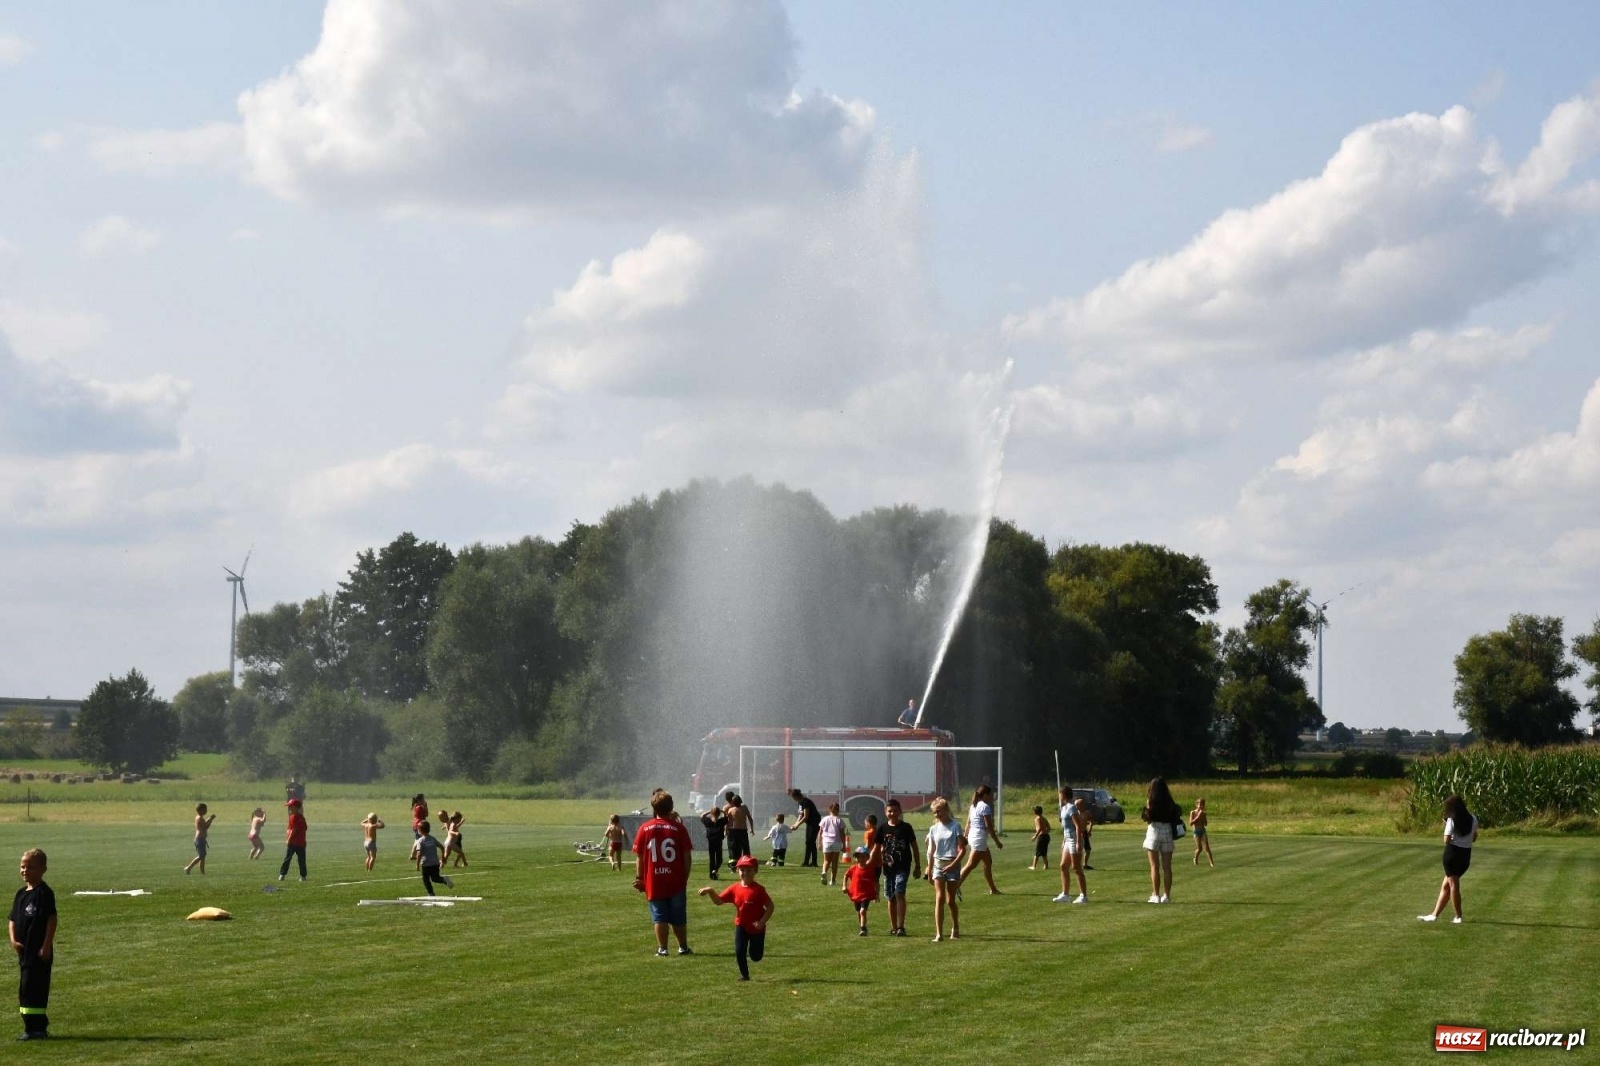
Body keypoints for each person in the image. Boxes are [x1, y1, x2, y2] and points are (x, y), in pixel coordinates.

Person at [633, 788, 694, 957]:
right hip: (676, 879)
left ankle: (663, 948)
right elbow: (687, 856)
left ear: (653, 808)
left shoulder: (645, 828)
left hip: (654, 880)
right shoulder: (679, 828)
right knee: (679, 916)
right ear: (671, 807)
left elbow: (640, 857)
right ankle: (683, 947)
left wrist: (639, 878)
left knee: (659, 916)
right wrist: (685, 876)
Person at [698, 855, 773, 981]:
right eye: (742, 870)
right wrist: (710, 891)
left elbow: (770, 907)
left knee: (756, 957)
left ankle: (754, 954)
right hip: (741, 925)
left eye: (749, 870)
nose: (745, 873)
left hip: (757, 928)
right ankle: (744, 975)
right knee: (739, 951)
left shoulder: (759, 890)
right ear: (737, 871)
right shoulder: (734, 888)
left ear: (755, 871)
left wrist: (762, 922)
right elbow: (718, 901)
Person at [9, 849, 55, 1041]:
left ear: (43, 869)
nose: (25, 870)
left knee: (36, 988)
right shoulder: (20, 894)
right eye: (23, 866)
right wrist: (13, 940)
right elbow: (12, 919)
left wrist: (46, 945)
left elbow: (51, 920)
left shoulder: (44, 893)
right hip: (24, 951)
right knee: (25, 989)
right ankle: (30, 1026)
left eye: (30, 867)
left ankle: (37, 1028)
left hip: (38, 952)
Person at [1420, 794, 1479, 924]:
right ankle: (1434, 915)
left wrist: (1447, 826)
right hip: (1465, 856)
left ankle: (1458, 916)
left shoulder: (1452, 820)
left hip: (1452, 855)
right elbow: (1474, 838)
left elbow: (1446, 839)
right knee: (1446, 886)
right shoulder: (1473, 818)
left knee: (1453, 886)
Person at [924, 797, 967, 942]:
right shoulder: (933, 829)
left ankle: (955, 927)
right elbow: (931, 851)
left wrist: (953, 865)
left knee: (950, 900)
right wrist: (929, 869)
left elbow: (962, 850)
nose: (937, 815)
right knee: (939, 898)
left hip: (952, 865)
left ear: (946, 810)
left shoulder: (955, 826)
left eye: (939, 811)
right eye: (935, 812)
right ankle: (939, 933)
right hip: (938, 865)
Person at [880, 798, 921, 937]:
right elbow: (877, 848)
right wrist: (870, 862)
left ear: (900, 811)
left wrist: (917, 866)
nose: (892, 813)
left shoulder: (906, 827)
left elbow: (914, 847)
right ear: (885, 812)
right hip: (887, 868)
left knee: (899, 893)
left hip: (903, 866)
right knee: (890, 897)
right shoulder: (882, 828)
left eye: (895, 810)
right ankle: (894, 927)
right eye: (889, 811)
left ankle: (901, 927)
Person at [1141, 777, 1182, 903]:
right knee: (1167, 867)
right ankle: (1167, 896)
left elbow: (1147, 819)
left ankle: (1156, 895)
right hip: (1167, 831)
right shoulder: (1169, 802)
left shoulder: (1151, 801)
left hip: (1154, 831)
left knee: (1154, 866)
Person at [958, 784, 1003, 894]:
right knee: (970, 865)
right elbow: (989, 826)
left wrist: (965, 837)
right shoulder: (985, 806)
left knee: (988, 862)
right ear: (985, 795)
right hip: (979, 837)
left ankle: (993, 889)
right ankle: (954, 886)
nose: (991, 797)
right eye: (990, 795)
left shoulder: (973, 806)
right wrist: (997, 842)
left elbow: (968, 824)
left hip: (974, 835)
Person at [1053, 788, 1089, 904]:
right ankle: (1065, 894)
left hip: (1074, 838)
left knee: (1076, 868)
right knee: (1063, 866)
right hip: (1067, 839)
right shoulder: (1063, 808)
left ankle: (1083, 896)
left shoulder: (1072, 808)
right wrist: (1064, 840)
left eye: (1060, 794)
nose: (1059, 796)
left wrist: (1078, 842)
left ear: (1064, 795)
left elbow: (1078, 826)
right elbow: (1065, 827)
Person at [410, 820, 453, 896]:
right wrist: (443, 858)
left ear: (420, 831)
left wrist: (417, 864)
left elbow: (419, 853)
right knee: (435, 878)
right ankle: (444, 880)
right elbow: (442, 847)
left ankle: (431, 893)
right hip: (435, 863)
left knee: (426, 879)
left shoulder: (420, 841)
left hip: (426, 864)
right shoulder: (432, 838)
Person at [845, 845, 878, 935]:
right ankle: (862, 926)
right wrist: (844, 886)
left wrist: (877, 894)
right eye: (859, 857)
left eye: (863, 857)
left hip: (866, 894)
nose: (861, 859)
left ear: (867, 857)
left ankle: (863, 929)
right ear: (856, 858)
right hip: (856, 893)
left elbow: (875, 882)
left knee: (862, 911)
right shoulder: (853, 868)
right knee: (859, 911)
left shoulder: (870, 869)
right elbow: (846, 875)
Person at [817, 803, 848, 886]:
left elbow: (820, 832)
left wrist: (819, 843)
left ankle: (824, 871)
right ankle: (833, 881)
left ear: (829, 810)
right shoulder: (839, 820)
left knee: (826, 860)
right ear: (838, 810)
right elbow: (842, 834)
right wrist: (844, 845)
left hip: (826, 842)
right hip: (836, 842)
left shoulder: (824, 819)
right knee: (834, 862)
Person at [278, 797, 309, 883]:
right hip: (301, 843)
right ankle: (303, 877)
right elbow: (305, 828)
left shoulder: (293, 817)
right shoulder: (302, 817)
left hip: (293, 842)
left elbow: (294, 830)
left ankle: (282, 875)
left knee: (287, 858)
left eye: (290, 806)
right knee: (301, 860)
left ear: (295, 807)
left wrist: (288, 839)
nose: (289, 808)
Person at [789, 789, 820, 867]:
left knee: (811, 842)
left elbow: (806, 817)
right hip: (809, 823)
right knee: (808, 842)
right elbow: (800, 815)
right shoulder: (800, 803)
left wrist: (797, 825)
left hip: (814, 822)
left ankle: (812, 862)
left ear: (796, 796)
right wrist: (795, 824)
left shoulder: (806, 802)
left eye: (793, 797)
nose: (793, 799)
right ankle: (808, 862)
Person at [184, 802, 216, 875]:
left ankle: (202, 873)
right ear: (200, 810)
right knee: (201, 856)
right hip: (200, 839)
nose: (206, 811)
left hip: (201, 839)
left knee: (202, 857)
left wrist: (209, 819)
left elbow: (204, 825)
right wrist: (211, 819)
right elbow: (206, 826)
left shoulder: (199, 817)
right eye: (205, 810)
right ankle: (188, 868)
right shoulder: (200, 818)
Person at [723, 792, 754, 867]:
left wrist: (725, 831)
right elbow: (750, 819)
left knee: (734, 847)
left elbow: (727, 822)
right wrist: (751, 829)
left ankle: (734, 862)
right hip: (743, 830)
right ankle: (747, 861)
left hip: (734, 830)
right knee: (745, 846)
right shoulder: (744, 807)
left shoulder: (731, 810)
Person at [1191, 797, 1214, 867]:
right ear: (1196, 805)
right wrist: (1198, 816)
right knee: (1199, 848)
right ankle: (1195, 858)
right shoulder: (1193, 812)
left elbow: (1205, 824)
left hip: (1203, 831)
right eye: (1200, 804)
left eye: (1203, 804)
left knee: (1207, 848)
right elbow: (1190, 823)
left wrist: (1203, 817)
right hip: (1196, 832)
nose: (1201, 806)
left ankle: (1211, 863)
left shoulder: (1204, 813)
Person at [1028, 805, 1050, 872]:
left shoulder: (1037, 819)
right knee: (1044, 852)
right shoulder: (1044, 818)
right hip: (1046, 836)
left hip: (1042, 837)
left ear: (1035, 812)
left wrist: (1035, 836)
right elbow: (1049, 827)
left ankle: (1033, 866)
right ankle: (1046, 865)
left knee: (1037, 851)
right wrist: (1045, 832)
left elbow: (1039, 828)